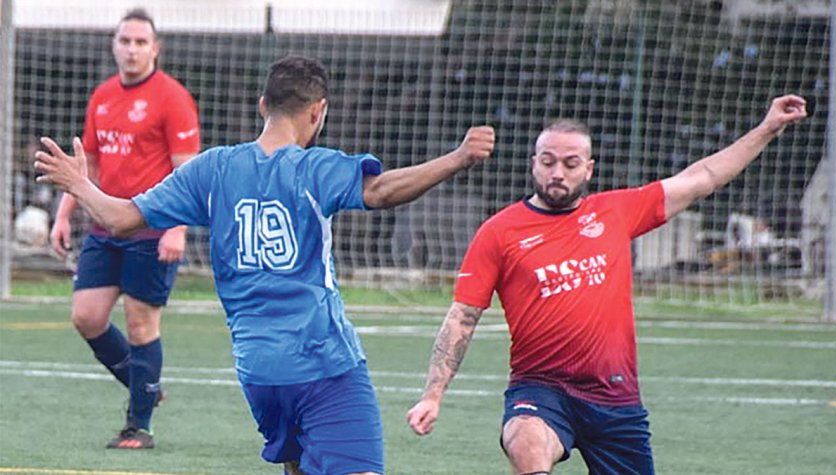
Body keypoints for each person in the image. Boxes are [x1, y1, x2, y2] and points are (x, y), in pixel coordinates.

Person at [35, 55, 495, 475]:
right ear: (318, 112)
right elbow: (380, 191)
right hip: (324, 363)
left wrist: (80, 184)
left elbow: (120, 218)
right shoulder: (314, 168)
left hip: (259, 372)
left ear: (262, 106)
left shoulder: (213, 169)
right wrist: (456, 158)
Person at [406, 95, 807, 474]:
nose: (557, 172)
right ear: (533, 164)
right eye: (547, 162)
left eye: (570, 162)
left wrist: (768, 127)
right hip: (541, 388)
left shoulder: (617, 211)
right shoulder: (499, 232)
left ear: (589, 169)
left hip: (615, 397)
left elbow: (702, 177)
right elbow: (463, 316)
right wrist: (433, 394)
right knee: (526, 438)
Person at [47, 8, 200, 449]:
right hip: (102, 226)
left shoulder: (172, 98)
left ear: (155, 49)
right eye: (124, 41)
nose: (131, 49)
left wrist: (178, 228)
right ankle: (144, 387)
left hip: (152, 227)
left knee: (139, 325)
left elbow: (186, 172)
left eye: (140, 42)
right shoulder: (103, 96)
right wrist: (63, 213)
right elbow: (88, 164)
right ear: (114, 45)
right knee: (87, 317)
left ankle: (139, 426)